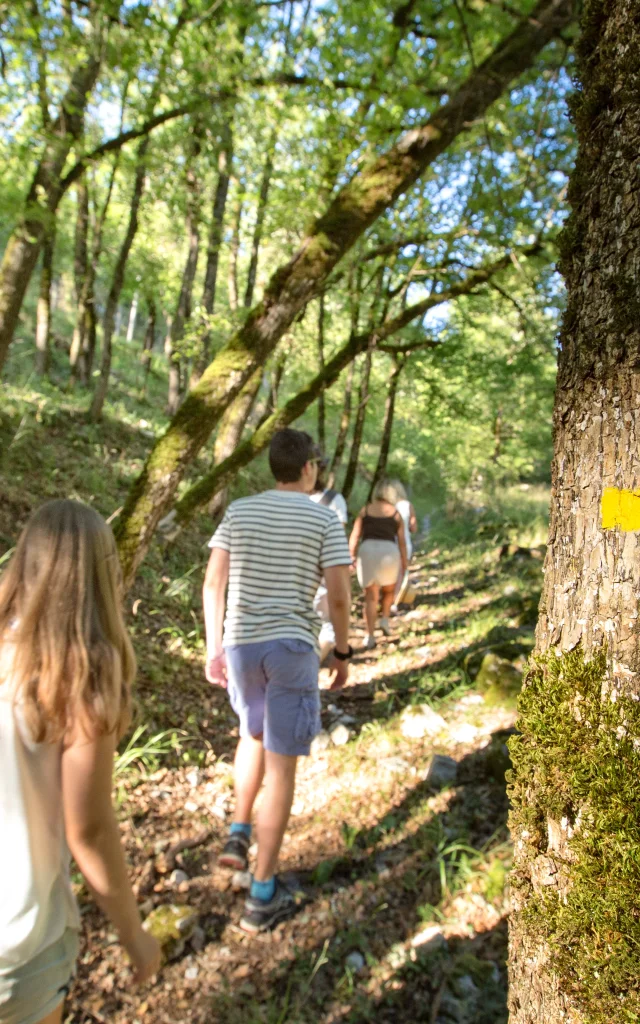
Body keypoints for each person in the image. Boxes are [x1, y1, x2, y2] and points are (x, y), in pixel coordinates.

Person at [0, 500, 161, 1024]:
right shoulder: (82, 673)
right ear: (102, 576)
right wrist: (133, 934)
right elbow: (87, 828)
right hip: (19, 941)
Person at [203, 428, 353, 934]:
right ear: (309, 468)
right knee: (282, 768)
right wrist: (344, 651)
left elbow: (213, 583)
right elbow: (339, 596)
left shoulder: (239, 511)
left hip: (242, 646)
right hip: (291, 647)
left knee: (252, 735)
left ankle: (238, 831)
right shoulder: (324, 519)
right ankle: (262, 895)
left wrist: (214, 647)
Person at [349, 479, 408, 650]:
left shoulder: (365, 510)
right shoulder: (395, 514)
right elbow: (402, 542)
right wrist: (405, 562)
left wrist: (351, 556)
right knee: (388, 591)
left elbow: (355, 535)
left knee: (370, 596)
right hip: (389, 552)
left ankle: (369, 635)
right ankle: (385, 619)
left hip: (367, 551)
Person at [309, 461, 349, 664]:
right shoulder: (334, 500)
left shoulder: (279, 500)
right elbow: (337, 545)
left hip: (285, 577)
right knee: (326, 627)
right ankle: (309, 667)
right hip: (321, 574)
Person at [391, 480, 418, 608]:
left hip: (388, 544)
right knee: (401, 574)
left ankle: (385, 600)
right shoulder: (408, 505)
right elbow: (413, 528)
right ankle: (395, 602)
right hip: (405, 544)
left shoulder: (387, 506)